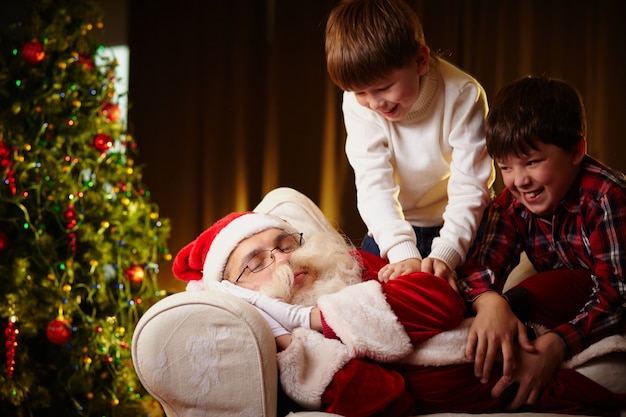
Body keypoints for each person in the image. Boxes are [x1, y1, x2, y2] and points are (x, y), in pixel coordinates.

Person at [173, 203, 625, 416]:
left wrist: (314, 316)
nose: (284, 260)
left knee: (590, 291)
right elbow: (390, 399)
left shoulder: (351, 269)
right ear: (238, 295)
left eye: (284, 243)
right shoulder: (292, 352)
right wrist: (297, 337)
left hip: (530, 315)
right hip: (496, 385)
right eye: (256, 263)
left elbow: (440, 301)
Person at [457, 75, 626, 411]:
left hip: (606, 304)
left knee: (544, 290)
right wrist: (489, 301)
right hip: (569, 301)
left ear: (576, 149)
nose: (520, 180)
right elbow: (481, 265)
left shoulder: (607, 195)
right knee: (495, 310)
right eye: (505, 166)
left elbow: (617, 294)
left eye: (532, 162)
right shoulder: (512, 202)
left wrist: (556, 345)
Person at [325, 0, 495, 284]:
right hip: (398, 224)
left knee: (469, 293)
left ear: (420, 61)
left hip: (463, 223)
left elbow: (470, 187)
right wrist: (402, 251)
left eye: (384, 88)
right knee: (366, 293)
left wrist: (446, 253)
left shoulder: (463, 94)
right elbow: (373, 184)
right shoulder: (360, 106)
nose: (375, 103)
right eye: (360, 92)